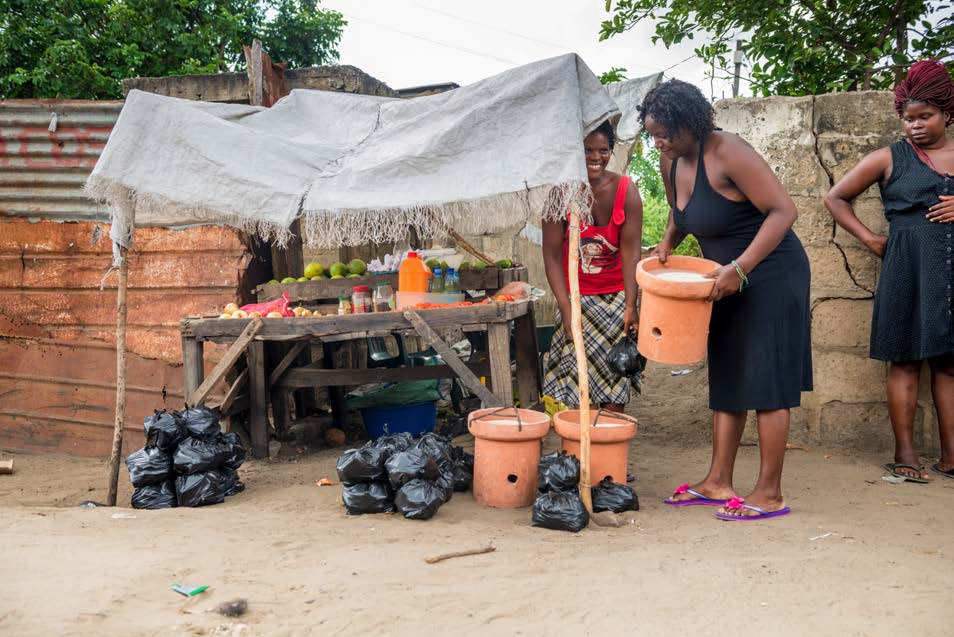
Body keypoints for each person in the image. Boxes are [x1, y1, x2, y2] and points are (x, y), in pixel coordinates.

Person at [644, 79, 812, 521]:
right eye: (653, 134)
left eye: (666, 133)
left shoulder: (727, 151)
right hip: (723, 281)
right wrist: (665, 242)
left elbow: (783, 210)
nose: (659, 141)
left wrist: (741, 268)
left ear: (691, 122)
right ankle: (718, 482)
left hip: (771, 271)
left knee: (767, 380)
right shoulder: (671, 161)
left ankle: (769, 492)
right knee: (729, 376)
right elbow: (684, 216)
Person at [824, 60, 954, 483]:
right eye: (908, 118)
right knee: (905, 361)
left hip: (950, 271)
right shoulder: (888, 157)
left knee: (949, 365)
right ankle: (906, 456)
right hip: (907, 266)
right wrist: (871, 239)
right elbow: (836, 198)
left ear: (947, 113)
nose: (915, 125)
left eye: (925, 116)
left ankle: (951, 458)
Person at [542, 120, 643, 413]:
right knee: (577, 388)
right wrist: (567, 308)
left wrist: (630, 305)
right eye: (587, 150)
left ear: (611, 152)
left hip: (615, 300)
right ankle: (579, 456)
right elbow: (551, 256)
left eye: (603, 150)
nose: (595, 157)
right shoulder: (559, 195)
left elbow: (630, 252)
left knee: (615, 383)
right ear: (576, 151)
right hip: (576, 298)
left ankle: (608, 451)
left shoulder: (626, 191)